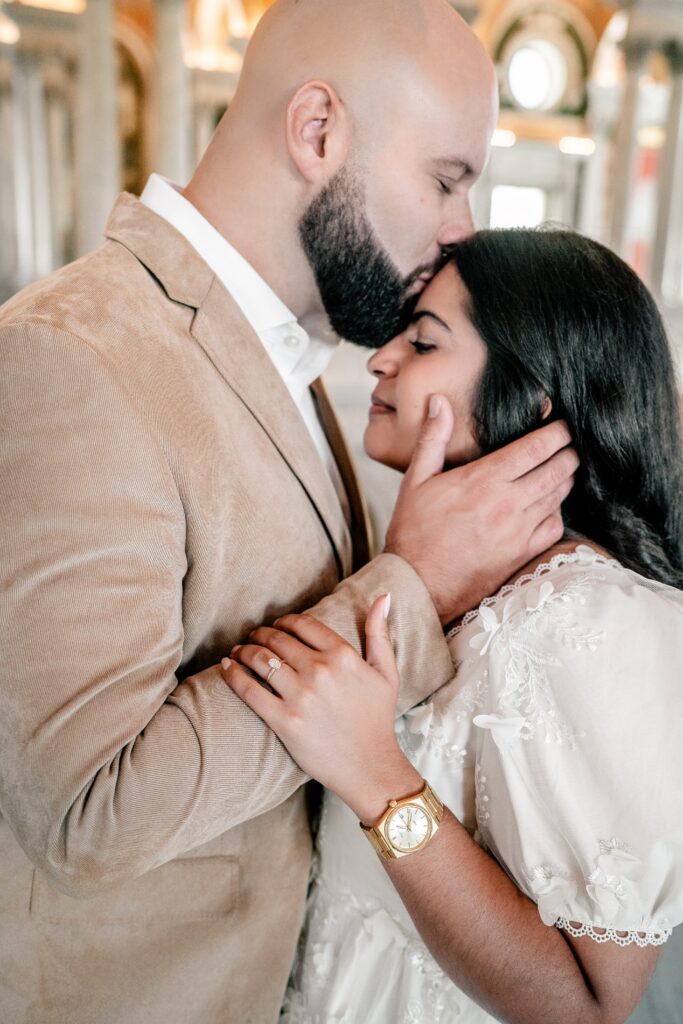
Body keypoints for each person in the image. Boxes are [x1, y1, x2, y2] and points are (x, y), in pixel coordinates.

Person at [0, 3, 578, 1022]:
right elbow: (86, 813)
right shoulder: (70, 357)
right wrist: (413, 582)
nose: (459, 231)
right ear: (317, 130)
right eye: (445, 178)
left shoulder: (288, 358)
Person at [224, 229, 683, 1024]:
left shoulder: (602, 624)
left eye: (424, 340)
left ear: (536, 398)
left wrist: (377, 779)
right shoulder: (436, 564)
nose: (378, 358)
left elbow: (590, 1008)